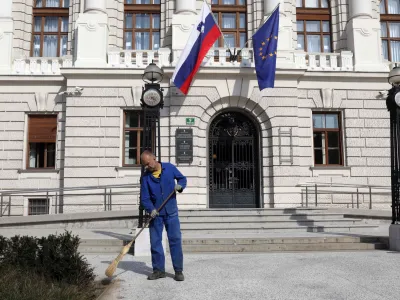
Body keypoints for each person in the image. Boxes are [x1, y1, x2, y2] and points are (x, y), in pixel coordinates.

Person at [140, 150, 187, 281]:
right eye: (145, 165)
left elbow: (182, 179)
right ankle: (159, 270)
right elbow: (144, 198)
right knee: (155, 243)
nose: (147, 167)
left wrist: (180, 186)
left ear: (154, 158)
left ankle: (178, 271)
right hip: (156, 215)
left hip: (171, 212)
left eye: (148, 164)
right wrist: (151, 209)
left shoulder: (169, 168)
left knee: (175, 241)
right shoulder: (145, 178)